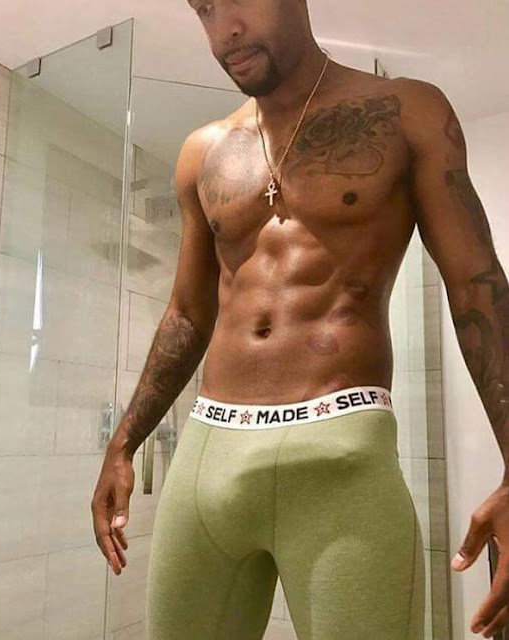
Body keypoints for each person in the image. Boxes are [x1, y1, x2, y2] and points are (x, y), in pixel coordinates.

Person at [91, 0, 509, 638]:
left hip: (340, 456)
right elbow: (187, 314)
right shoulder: (202, 152)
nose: (224, 31)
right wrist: (123, 444)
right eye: (204, 9)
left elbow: (477, 288)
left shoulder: (407, 111)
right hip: (207, 455)